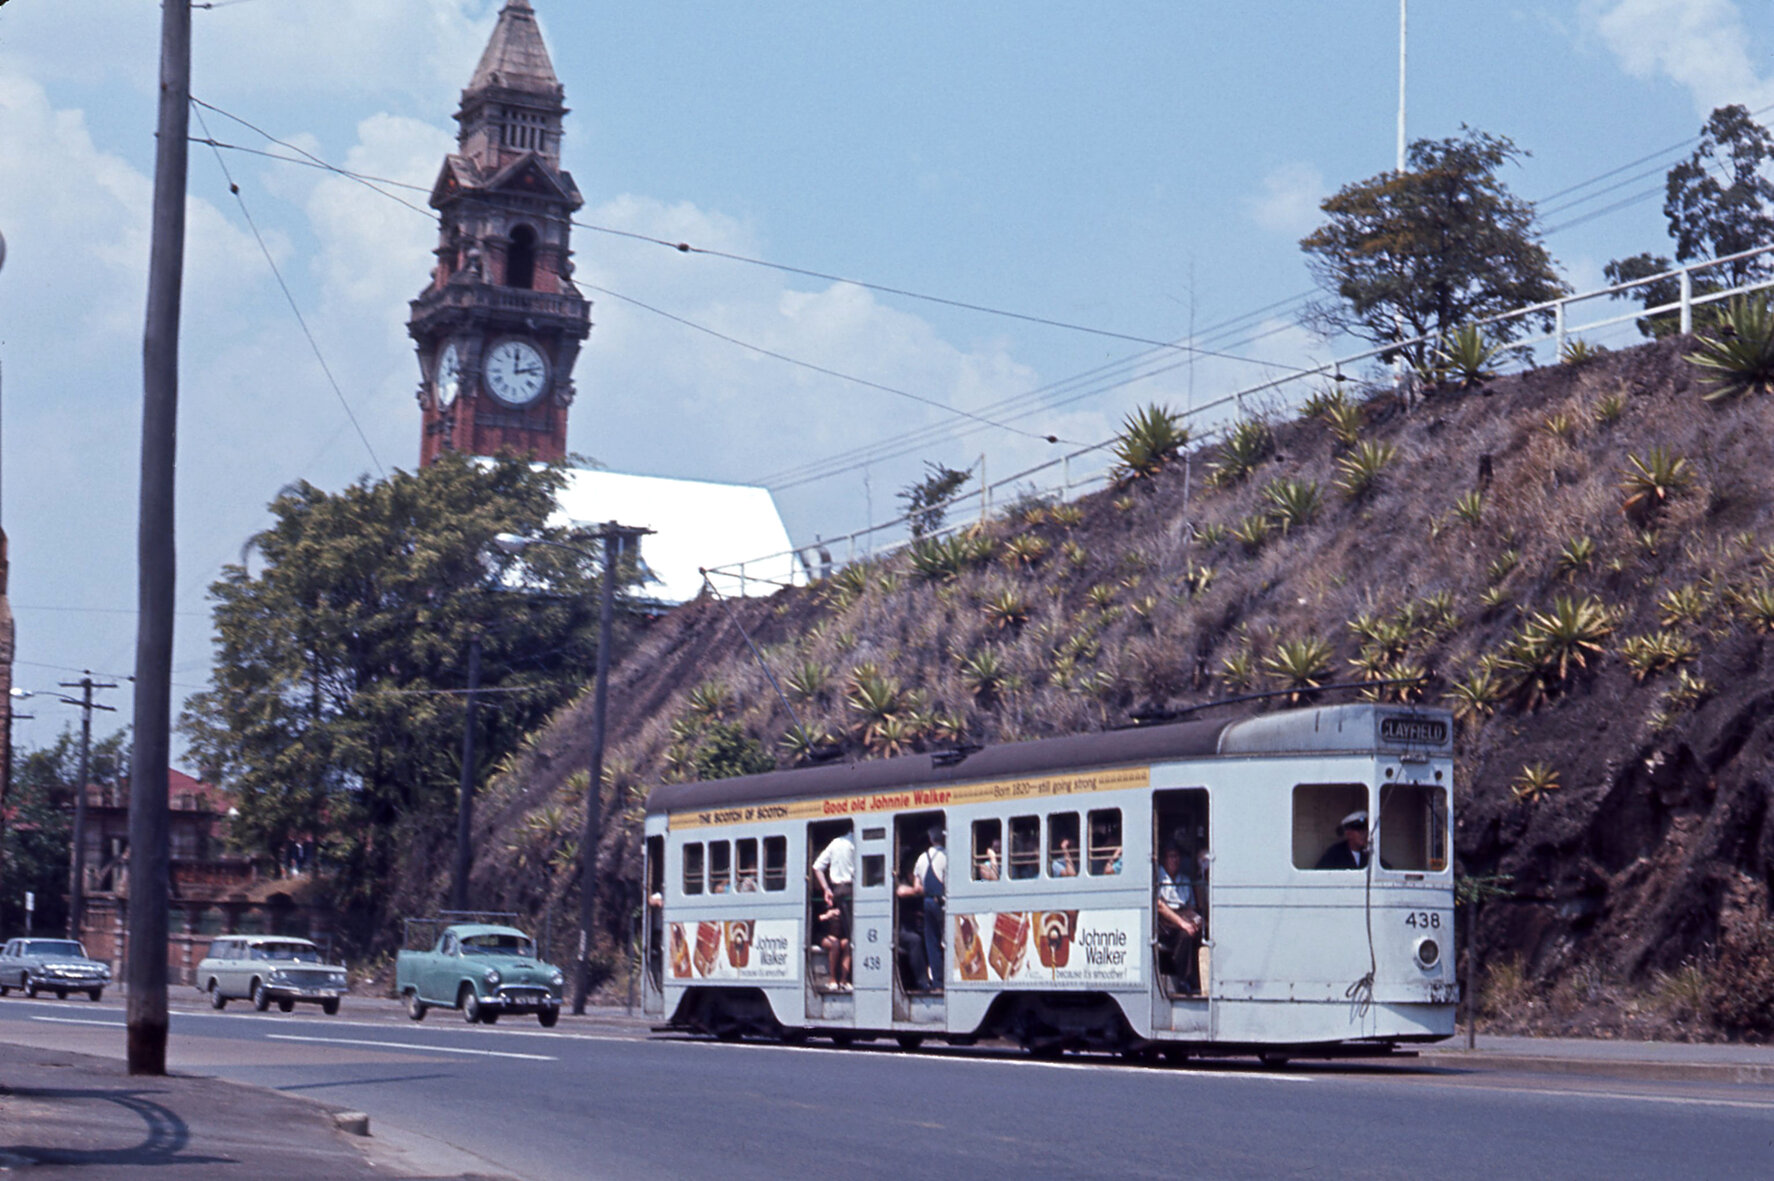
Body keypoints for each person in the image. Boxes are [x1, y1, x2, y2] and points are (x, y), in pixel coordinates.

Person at [1156, 845, 1203, 994]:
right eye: (1172, 856)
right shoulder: (1158, 877)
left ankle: (1199, 976)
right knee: (1185, 934)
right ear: (1164, 859)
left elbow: (1192, 905)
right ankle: (1183, 979)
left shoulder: (1185, 879)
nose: (1175, 860)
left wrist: (1195, 920)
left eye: (1177, 857)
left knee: (1199, 929)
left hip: (1184, 913)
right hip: (1165, 919)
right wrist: (1182, 923)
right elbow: (1160, 906)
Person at [812, 829, 855, 991]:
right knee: (849, 938)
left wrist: (827, 889)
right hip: (850, 890)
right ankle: (838, 980)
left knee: (848, 941)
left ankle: (842, 981)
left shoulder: (836, 843)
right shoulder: (855, 844)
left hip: (838, 889)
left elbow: (817, 867)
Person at [912, 824, 947, 991]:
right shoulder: (947, 855)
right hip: (943, 902)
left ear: (930, 839)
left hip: (927, 902)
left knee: (932, 943)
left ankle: (938, 983)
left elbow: (917, 886)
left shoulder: (921, 858)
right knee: (946, 941)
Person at [894, 865, 927, 992]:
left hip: (916, 926)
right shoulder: (902, 883)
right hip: (898, 929)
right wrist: (920, 890)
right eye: (916, 874)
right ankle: (922, 982)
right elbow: (900, 891)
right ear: (909, 873)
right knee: (915, 941)